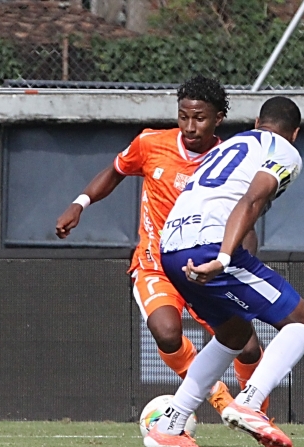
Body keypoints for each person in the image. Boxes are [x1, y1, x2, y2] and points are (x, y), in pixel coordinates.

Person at [55, 76, 266, 417]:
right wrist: (80, 203)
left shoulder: (232, 160)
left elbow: (246, 223)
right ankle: (218, 396)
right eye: (184, 116)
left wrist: (237, 267)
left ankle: (255, 412)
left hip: (204, 268)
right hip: (155, 263)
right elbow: (116, 170)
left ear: (218, 119)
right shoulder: (150, 143)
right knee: (167, 333)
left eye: (200, 118)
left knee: (248, 347)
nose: (190, 126)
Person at [144, 96, 304, 447]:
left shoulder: (232, 144)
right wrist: (224, 258)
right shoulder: (284, 151)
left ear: (256, 122)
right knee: (303, 321)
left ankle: (170, 426)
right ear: (295, 133)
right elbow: (252, 200)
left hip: (171, 247)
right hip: (210, 245)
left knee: (234, 332)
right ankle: (251, 402)